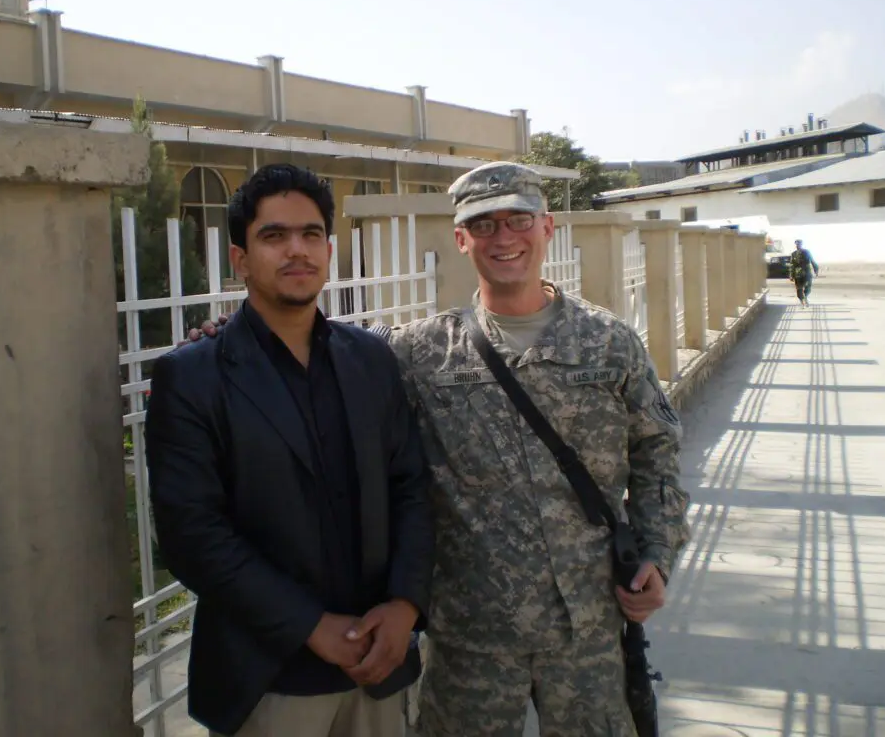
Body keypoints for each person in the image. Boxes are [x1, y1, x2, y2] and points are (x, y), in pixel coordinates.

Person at [184, 161, 691, 737]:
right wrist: (227, 334)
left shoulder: (610, 343)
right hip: (472, 637)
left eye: (518, 221)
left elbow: (656, 452)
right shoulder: (421, 352)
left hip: (591, 625)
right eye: (484, 226)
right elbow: (316, 346)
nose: (503, 239)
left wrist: (655, 552)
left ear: (547, 228)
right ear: (461, 239)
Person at [145, 163, 435, 737]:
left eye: (309, 235)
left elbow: (412, 488)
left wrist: (405, 604)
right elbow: (192, 534)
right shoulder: (194, 376)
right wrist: (312, 626)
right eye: (273, 236)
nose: (296, 251)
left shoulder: (371, 359)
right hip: (268, 678)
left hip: (378, 668)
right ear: (240, 259)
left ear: (328, 249)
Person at [789, 239, 820, 306]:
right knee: (799, 288)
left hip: (807, 271)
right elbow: (792, 265)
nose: (798, 245)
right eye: (797, 244)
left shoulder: (807, 252)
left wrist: (816, 270)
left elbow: (812, 261)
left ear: (801, 244)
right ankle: (801, 300)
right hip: (798, 273)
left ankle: (805, 297)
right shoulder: (793, 254)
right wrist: (791, 275)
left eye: (799, 244)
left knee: (808, 286)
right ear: (795, 245)